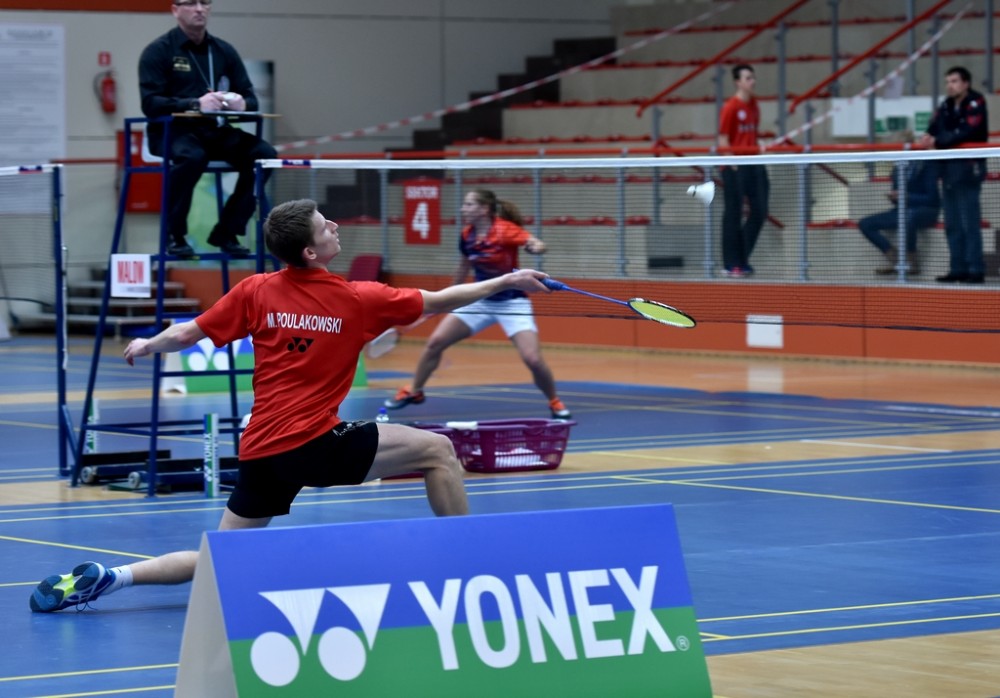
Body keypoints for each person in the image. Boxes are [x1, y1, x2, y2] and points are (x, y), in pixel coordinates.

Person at [29, 199, 553, 613]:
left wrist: (147, 344)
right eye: (326, 228)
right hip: (313, 443)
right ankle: (469, 558)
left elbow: (189, 332)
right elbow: (439, 301)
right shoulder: (358, 298)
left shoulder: (256, 290)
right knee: (437, 450)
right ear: (310, 251)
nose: (335, 229)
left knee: (221, 556)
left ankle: (114, 576)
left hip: (261, 450)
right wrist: (508, 280)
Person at [384, 188, 571, 420]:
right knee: (435, 343)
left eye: (469, 204)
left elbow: (535, 243)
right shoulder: (467, 235)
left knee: (532, 358)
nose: (463, 209)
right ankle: (415, 390)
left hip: (512, 302)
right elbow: (463, 267)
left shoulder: (505, 229)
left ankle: (554, 400)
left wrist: (536, 247)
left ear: (484, 209)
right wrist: (445, 299)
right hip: (479, 299)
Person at [139, 0, 277, 259]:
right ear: (175, 10)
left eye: (205, 2)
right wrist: (194, 104)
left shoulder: (223, 50)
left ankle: (227, 231)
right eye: (191, 3)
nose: (199, 8)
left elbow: (251, 99)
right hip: (173, 132)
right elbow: (150, 103)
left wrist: (241, 103)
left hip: (216, 132)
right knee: (193, 156)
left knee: (264, 155)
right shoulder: (158, 51)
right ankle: (175, 235)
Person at [919, 66, 989, 284]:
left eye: (954, 81)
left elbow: (968, 131)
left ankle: (975, 269)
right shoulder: (946, 105)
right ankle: (957, 268)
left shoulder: (976, 102)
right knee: (952, 223)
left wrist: (939, 141)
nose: (950, 85)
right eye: (948, 81)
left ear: (966, 83)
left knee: (969, 222)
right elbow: (934, 126)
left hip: (968, 170)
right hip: (947, 170)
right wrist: (928, 136)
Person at [717, 63, 769, 278]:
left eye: (753, 77)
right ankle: (731, 263)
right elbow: (723, 138)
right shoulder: (730, 107)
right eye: (747, 78)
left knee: (760, 210)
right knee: (733, 213)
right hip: (734, 166)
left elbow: (751, 135)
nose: (752, 82)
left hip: (754, 163)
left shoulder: (754, 105)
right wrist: (732, 164)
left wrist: (760, 146)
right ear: (738, 82)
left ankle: (742, 257)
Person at [856, 160, 940, 275]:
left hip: (925, 211)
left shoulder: (926, 165)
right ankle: (897, 261)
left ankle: (911, 262)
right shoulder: (897, 169)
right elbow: (898, 198)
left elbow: (932, 199)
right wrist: (894, 197)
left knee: (909, 217)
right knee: (865, 224)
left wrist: (907, 196)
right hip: (902, 211)